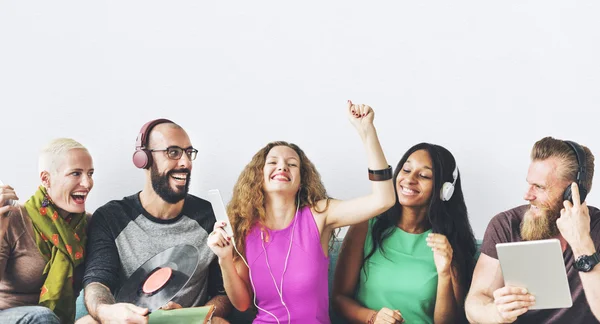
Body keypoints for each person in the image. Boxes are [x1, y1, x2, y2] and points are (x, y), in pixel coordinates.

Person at [207, 101, 396, 324]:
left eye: (292, 164)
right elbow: (242, 304)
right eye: (273, 162)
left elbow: (384, 200)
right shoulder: (244, 227)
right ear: (259, 175)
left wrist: (367, 132)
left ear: (301, 180)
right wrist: (224, 259)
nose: (282, 167)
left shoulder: (320, 214)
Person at [82, 119, 231, 324]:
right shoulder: (111, 217)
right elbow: (98, 281)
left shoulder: (211, 217)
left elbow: (224, 293)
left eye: (189, 153)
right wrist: (107, 311)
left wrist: (191, 317)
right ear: (144, 159)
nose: (185, 163)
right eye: (173, 152)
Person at [332, 143, 477, 324]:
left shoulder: (448, 243)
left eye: (424, 175)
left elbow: (448, 322)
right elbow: (339, 299)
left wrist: (445, 273)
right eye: (406, 170)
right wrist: (373, 318)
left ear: (444, 190)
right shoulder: (365, 225)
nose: (409, 179)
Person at [465, 137, 600, 323]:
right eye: (529, 183)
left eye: (539, 187)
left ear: (574, 191)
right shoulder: (506, 225)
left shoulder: (597, 229)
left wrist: (581, 243)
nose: (527, 195)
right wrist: (496, 313)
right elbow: (475, 303)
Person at [0, 138, 95, 324]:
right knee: (42, 317)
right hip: (9, 316)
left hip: (60, 319)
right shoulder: (13, 218)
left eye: (90, 173)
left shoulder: (90, 224)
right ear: (46, 179)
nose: (87, 183)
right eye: (76, 173)